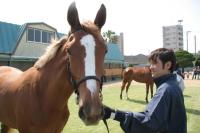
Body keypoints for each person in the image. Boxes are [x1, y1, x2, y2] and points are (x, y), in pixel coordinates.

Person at [103, 48, 187, 133]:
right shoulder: (173, 85)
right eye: (150, 64)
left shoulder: (165, 89)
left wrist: (113, 114)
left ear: (168, 65)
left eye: (154, 63)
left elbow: (148, 122)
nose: (150, 67)